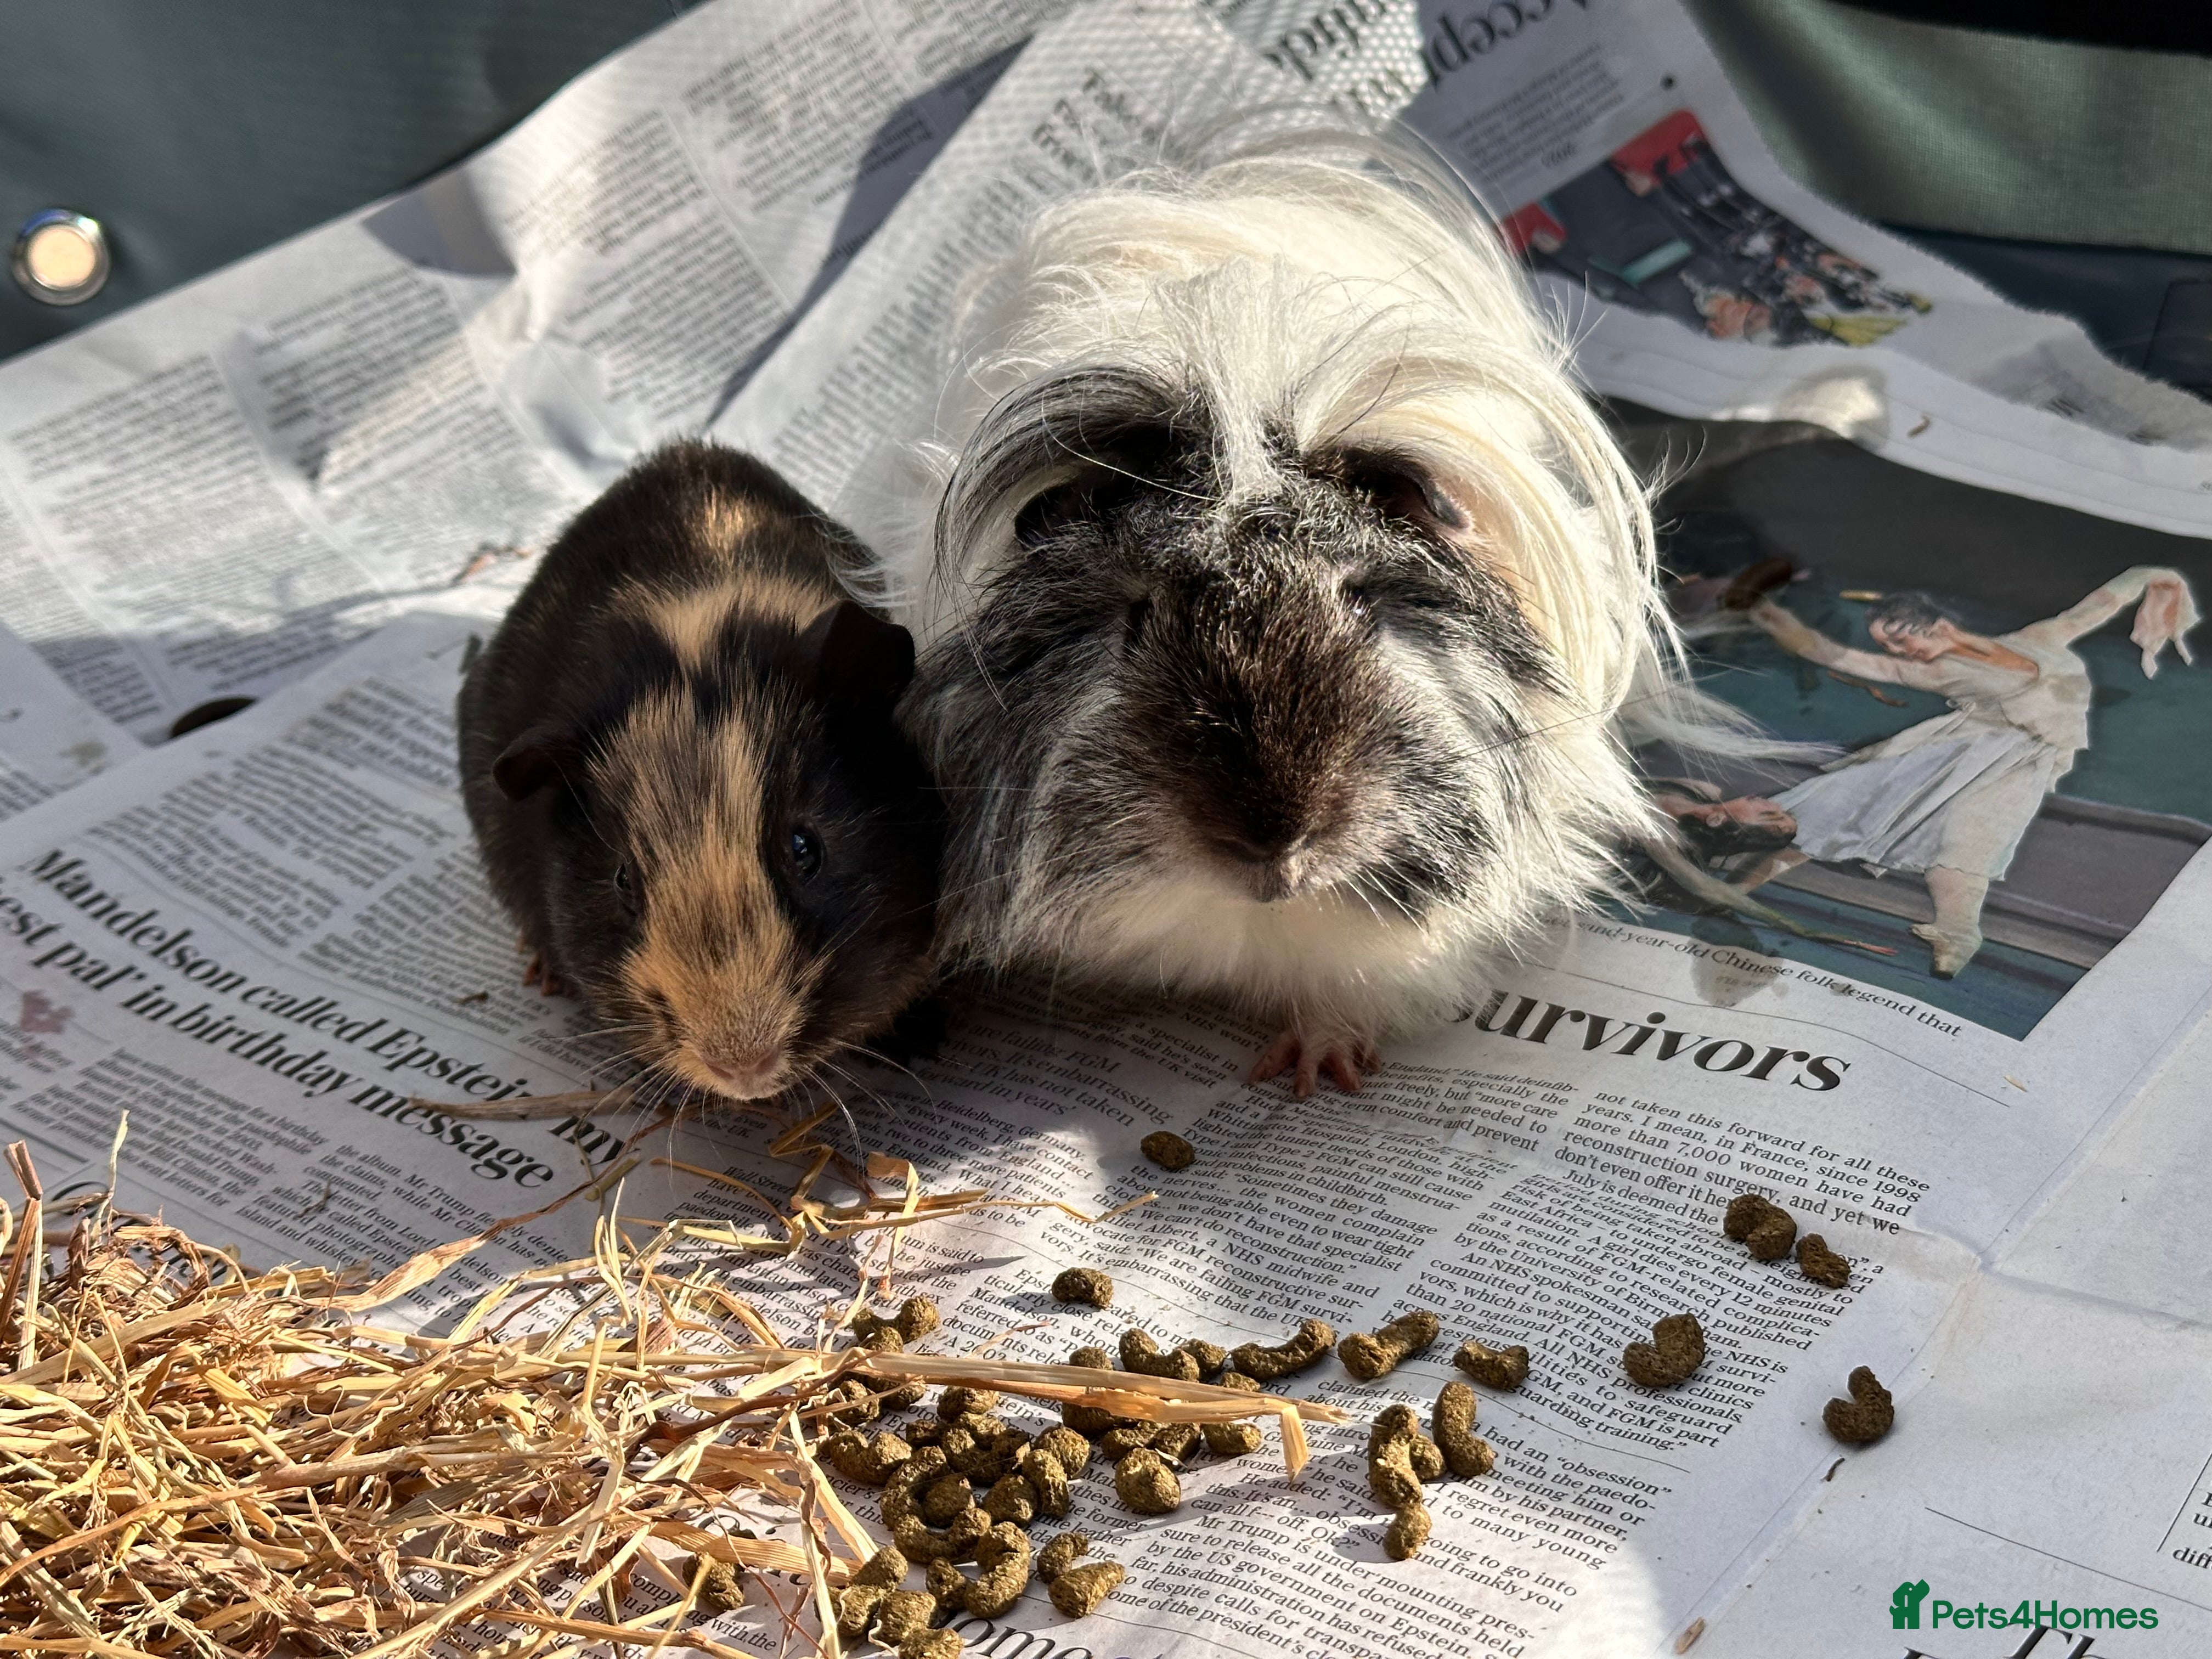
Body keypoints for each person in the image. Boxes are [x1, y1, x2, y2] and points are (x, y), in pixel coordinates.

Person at [1737, 568, 2199, 977]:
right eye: (1888, 646)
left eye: (1901, 639)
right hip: (1952, 752)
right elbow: (1833, 655)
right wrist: (1771, 616)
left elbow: (2100, 603)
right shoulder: (1936, 673)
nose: (1901, 652)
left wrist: (2151, 576)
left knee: (1970, 844)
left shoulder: (2040, 638)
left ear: (1938, 625)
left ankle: (1957, 936)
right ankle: (1744, 884)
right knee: (1841, 802)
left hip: (2020, 763)